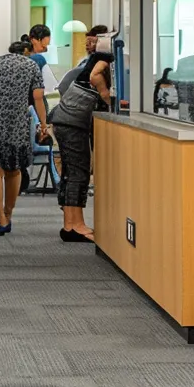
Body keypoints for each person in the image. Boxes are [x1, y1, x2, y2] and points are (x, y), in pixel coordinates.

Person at [0, 40, 49, 236]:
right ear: (26, 51)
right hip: (17, 122)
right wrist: (43, 123)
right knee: (14, 169)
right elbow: (38, 96)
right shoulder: (31, 65)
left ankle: (1, 218)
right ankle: (9, 212)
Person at [55, 29, 111, 244]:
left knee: (71, 173)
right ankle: (76, 226)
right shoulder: (104, 57)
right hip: (73, 121)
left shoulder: (93, 58)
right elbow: (95, 76)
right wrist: (107, 98)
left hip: (65, 118)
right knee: (78, 172)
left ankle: (70, 224)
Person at [57, 24, 111, 96]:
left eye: (91, 41)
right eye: (87, 41)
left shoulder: (98, 62)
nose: (87, 44)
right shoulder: (86, 61)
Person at [24, 24, 56, 90]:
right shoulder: (37, 59)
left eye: (47, 46)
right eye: (43, 46)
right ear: (33, 40)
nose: (45, 49)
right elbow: (51, 87)